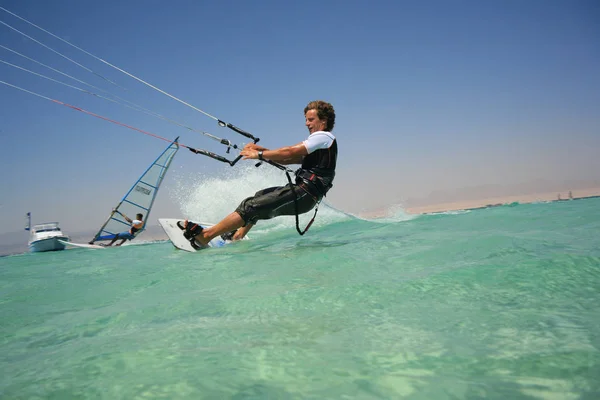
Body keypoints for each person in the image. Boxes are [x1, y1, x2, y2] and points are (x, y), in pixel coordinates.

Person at [180, 100, 337, 249]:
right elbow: (290, 158)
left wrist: (260, 155)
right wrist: (263, 150)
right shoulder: (320, 144)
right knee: (259, 196)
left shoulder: (324, 137)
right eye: (306, 120)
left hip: (305, 194)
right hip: (304, 193)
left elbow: (289, 151)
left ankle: (206, 236)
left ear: (323, 121)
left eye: (310, 119)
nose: (306, 123)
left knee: (250, 206)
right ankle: (238, 235)